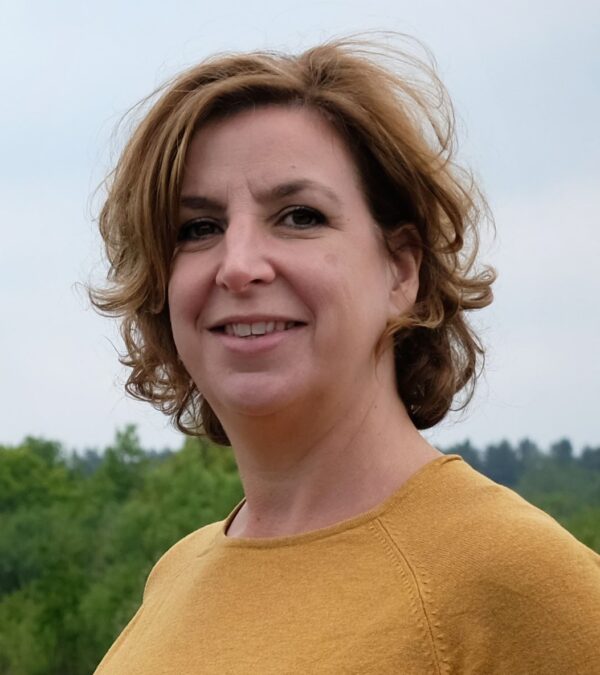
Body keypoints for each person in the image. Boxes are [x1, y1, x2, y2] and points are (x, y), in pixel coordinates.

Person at [91, 37, 600, 674]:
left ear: (401, 270)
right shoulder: (177, 574)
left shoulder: (515, 581)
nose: (239, 265)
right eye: (198, 228)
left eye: (299, 216)